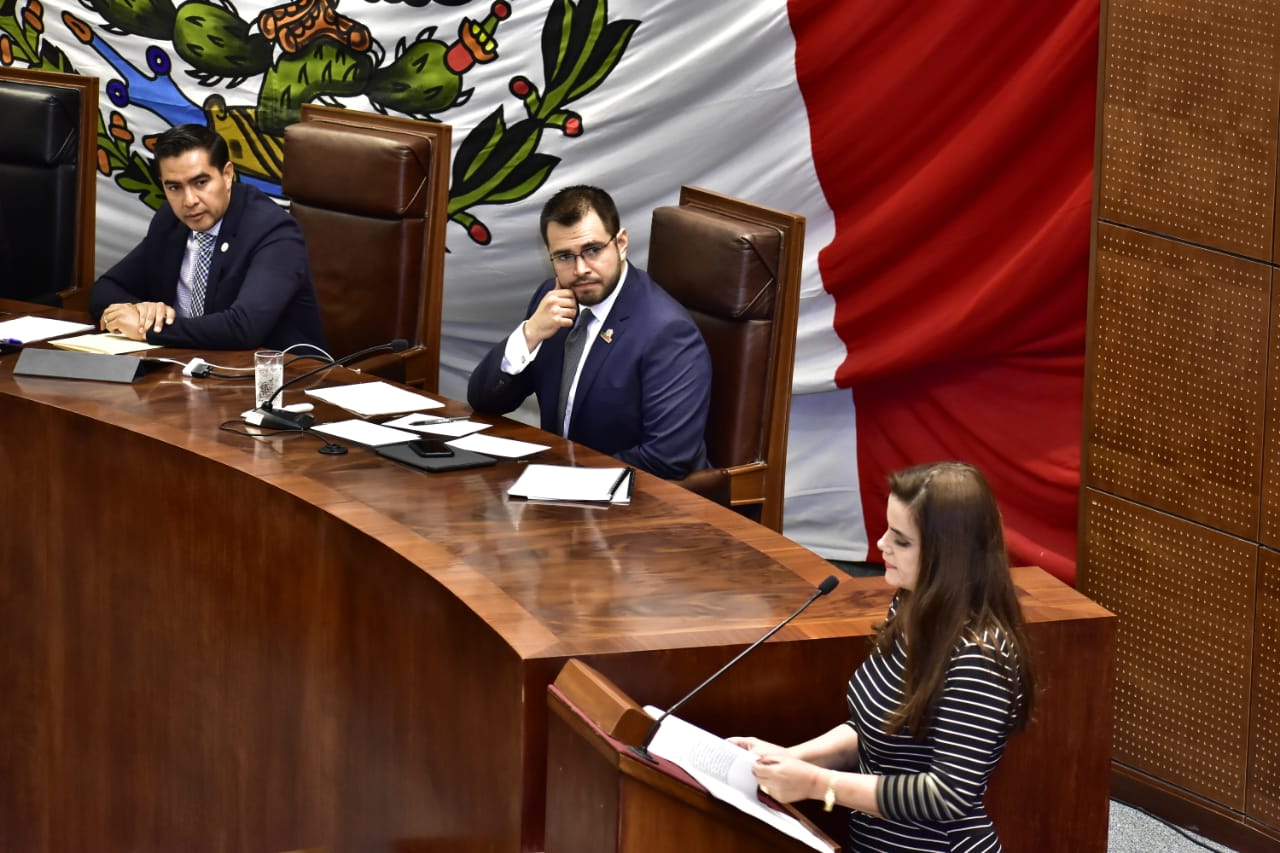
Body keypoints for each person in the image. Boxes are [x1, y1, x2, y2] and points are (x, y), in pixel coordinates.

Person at [731, 461, 1036, 852]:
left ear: (949, 555)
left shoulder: (979, 658)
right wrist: (788, 759)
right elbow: (873, 731)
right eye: (888, 529)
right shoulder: (909, 606)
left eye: (901, 540)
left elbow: (946, 795)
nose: (881, 544)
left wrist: (815, 784)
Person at [467, 185, 711, 479]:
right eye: (564, 257)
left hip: (635, 495)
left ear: (621, 244)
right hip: (559, 485)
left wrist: (565, 478)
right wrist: (530, 333)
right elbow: (485, 402)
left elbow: (667, 459)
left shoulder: (667, 332)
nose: (581, 269)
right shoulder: (552, 301)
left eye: (593, 250)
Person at [89, 124, 326, 351]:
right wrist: (141, 312)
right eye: (174, 188)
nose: (189, 200)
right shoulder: (170, 221)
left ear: (227, 175)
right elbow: (105, 288)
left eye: (200, 183)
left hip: (276, 372)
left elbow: (245, 327)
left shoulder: (274, 231)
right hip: (184, 365)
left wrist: (149, 329)